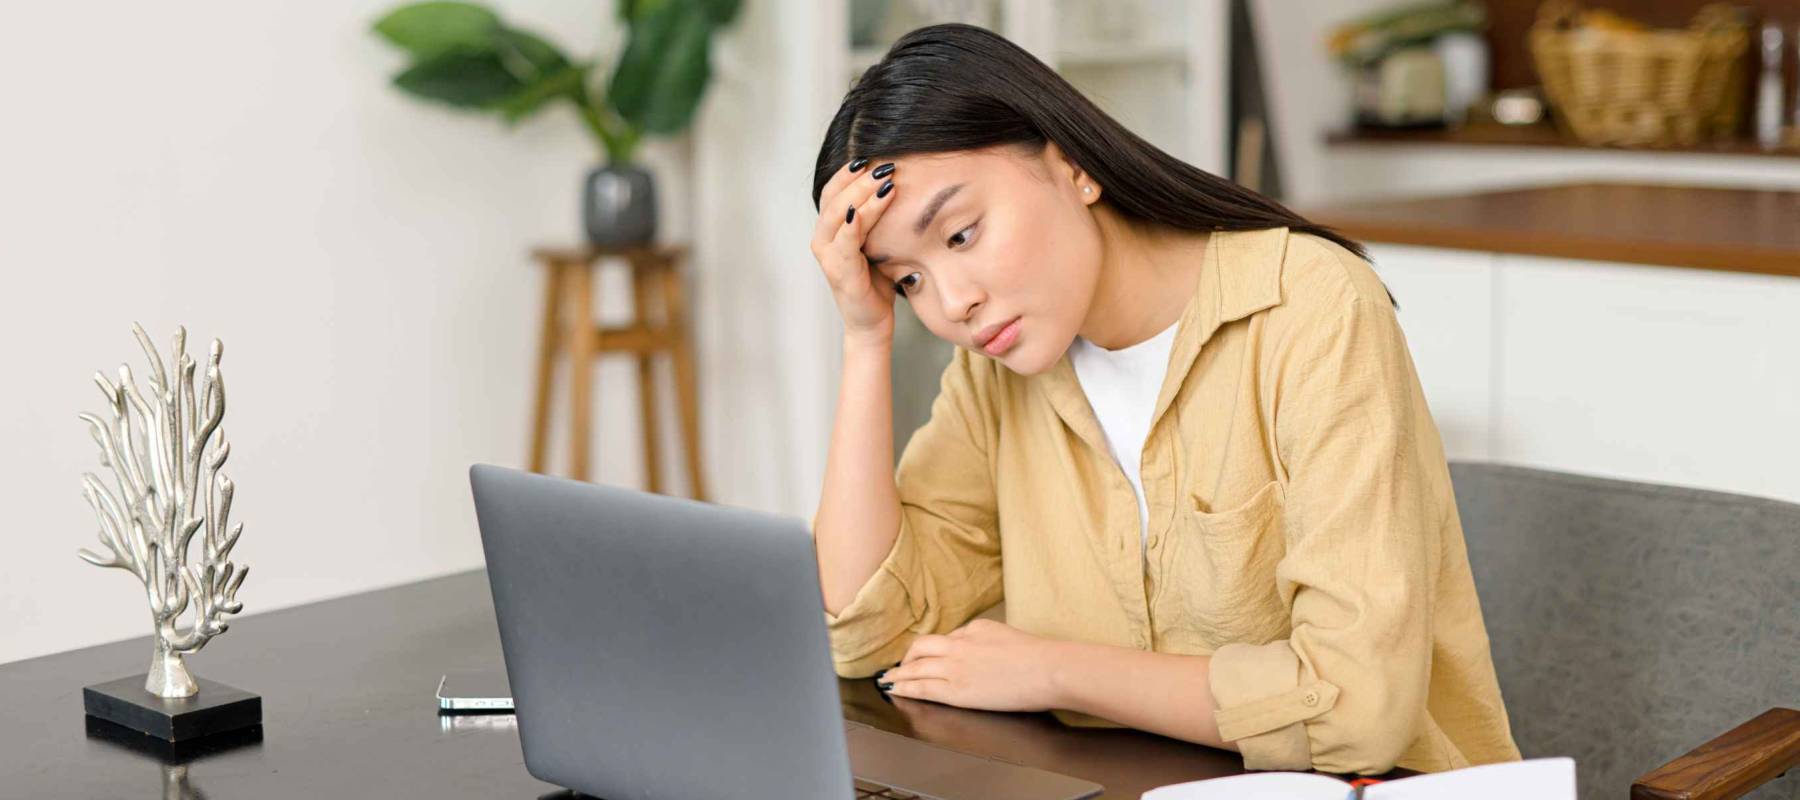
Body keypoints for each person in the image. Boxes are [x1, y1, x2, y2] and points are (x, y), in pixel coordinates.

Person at [805, 23, 1520, 776]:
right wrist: (865, 339)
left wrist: (1054, 670)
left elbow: (1356, 708)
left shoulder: (1310, 308)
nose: (954, 302)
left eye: (960, 234)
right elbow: (865, 631)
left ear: (1071, 165)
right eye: (907, 279)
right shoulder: (1000, 370)